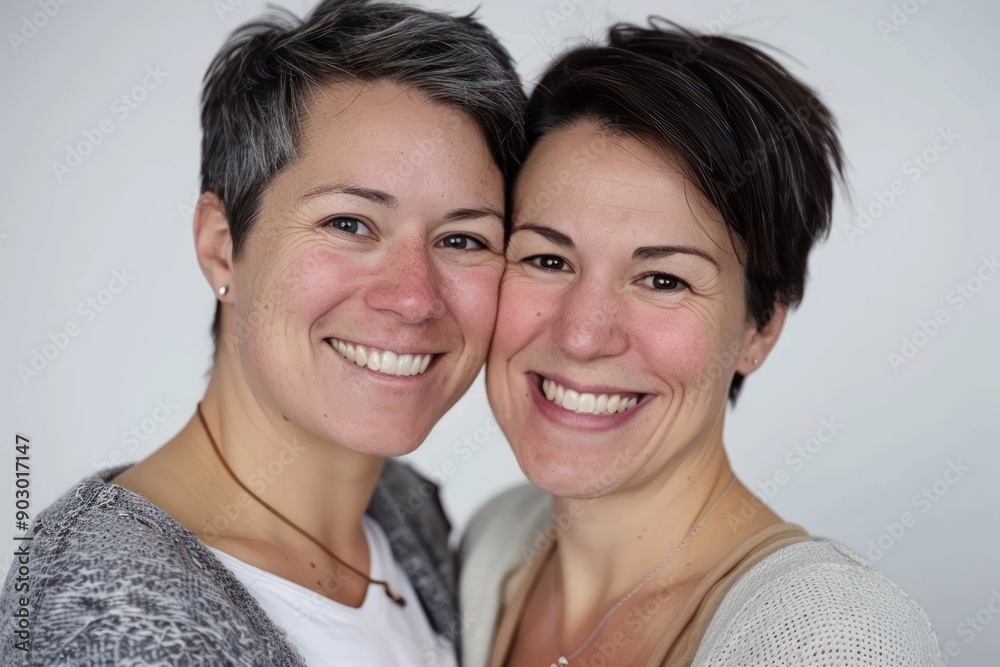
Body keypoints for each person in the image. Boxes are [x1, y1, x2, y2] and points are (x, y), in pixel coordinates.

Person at [0, 1, 526, 665]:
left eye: (462, 239)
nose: (414, 298)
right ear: (222, 248)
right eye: (349, 224)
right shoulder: (105, 616)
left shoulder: (403, 510)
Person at [460, 19, 944, 667]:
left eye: (664, 280)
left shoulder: (830, 640)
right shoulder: (495, 544)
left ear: (760, 327)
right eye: (548, 260)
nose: (581, 335)